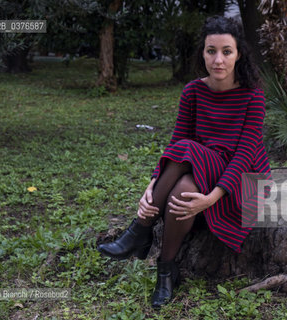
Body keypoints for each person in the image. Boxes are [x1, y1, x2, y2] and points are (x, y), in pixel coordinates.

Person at [97, 15, 271, 309]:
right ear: (202, 53)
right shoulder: (192, 91)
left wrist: (212, 199)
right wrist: (151, 188)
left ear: (238, 53)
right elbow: (175, 143)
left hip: (245, 179)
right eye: (211, 51)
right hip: (200, 167)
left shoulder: (253, 94)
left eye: (226, 51)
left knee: (188, 151)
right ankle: (166, 272)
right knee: (182, 189)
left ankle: (140, 230)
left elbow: (245, 154)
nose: (218, 60)